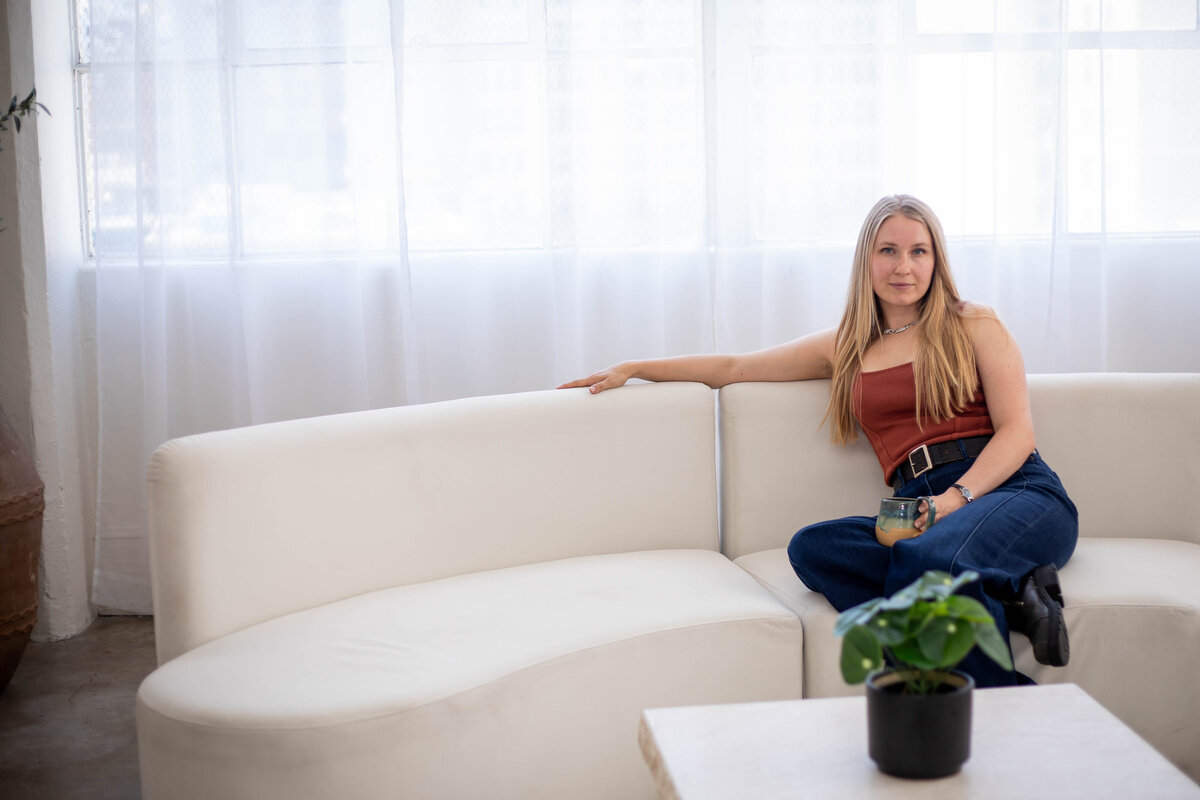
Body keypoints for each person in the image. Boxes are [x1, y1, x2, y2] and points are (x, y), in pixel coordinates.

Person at [558, 194, 1078, 688]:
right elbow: (735, 367)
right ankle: (1011, 593)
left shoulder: (973, 322)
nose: (904, 267)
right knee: (814, 549)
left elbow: (1018, 433)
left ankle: (995, 706)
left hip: (1012, 491)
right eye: (888, 251)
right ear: (866, 260)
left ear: (936, 259)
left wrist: (953, 500)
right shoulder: (846, 345)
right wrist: (636, 367)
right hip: (916, 505)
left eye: (918, 252)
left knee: (928, 561)